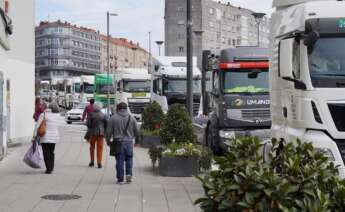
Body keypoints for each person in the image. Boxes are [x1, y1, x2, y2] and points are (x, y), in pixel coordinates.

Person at [106, 102, 139, 184]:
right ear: (126, 108)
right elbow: (137, 132)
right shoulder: (132, 118)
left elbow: (108, 132)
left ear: (118, 108)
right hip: (129, 142)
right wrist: (137, 141)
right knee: (129, 159)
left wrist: (108, 141)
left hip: (118, 142)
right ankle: (128, 175)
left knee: (120, 160)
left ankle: (120, 179)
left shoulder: (113, 118)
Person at [33, 102, 60, 174]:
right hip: (54, 137)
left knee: (46, 152)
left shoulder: (44, 115)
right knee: (51, 152)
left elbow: (37, 125)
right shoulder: (57, 116)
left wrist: (34, 135)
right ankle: (51, 167)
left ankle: (48, 169)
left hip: (45, 137)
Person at [87, 102, 107, 168]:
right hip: (101, 133)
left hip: (93, 133)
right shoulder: (103, 115)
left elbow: (88, 124)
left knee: (92, 147)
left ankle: (92, 161)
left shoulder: (91, 114)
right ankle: (99, 163)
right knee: (100, 148)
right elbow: (106, 124)